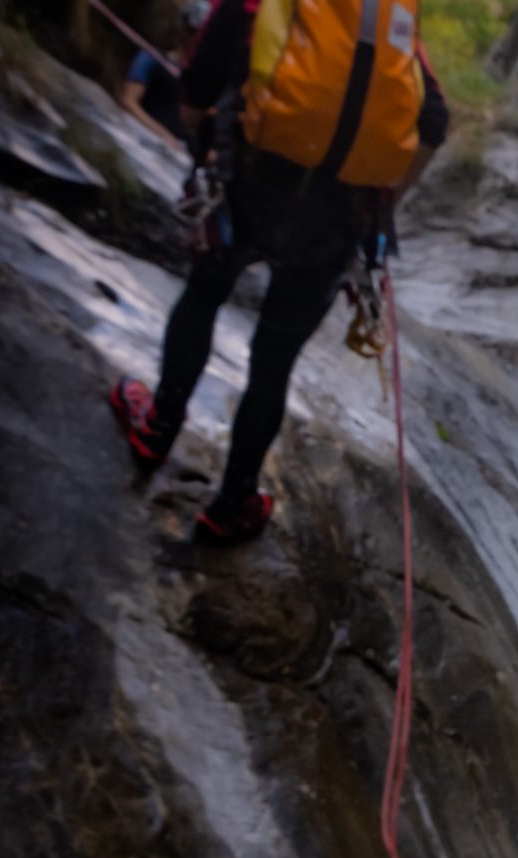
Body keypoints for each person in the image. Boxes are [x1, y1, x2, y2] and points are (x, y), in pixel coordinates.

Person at [109, 0, 448, 544]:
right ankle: (233, 502)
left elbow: (197, 87)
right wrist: (383, 207)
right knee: (274, 362)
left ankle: (158, 429)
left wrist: (202, 145)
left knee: (203, 295)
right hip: (337, 218)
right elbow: (432, 122)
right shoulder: (387, 14)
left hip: (247, 186)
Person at [118, 1, 209, 151]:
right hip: (144, 144)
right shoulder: (152, 58)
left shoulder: (205, 82)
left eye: (202, 36)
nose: (195, 40)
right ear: (182, 29)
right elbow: (128, 101)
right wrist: (164, 136)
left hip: (181, 156)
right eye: (192, 32)